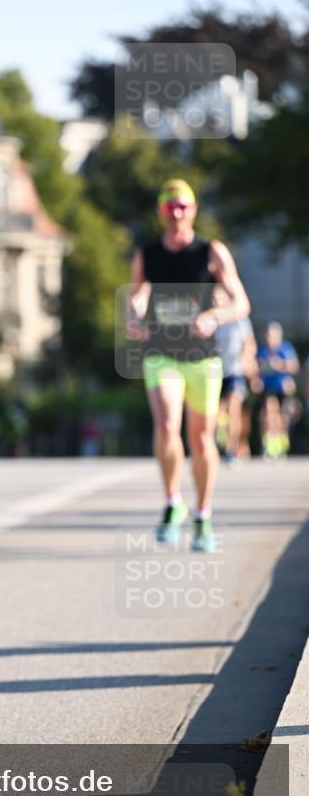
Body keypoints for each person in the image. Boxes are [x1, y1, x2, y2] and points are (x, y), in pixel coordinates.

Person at [128, 179, 250, 552]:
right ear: (161, 212)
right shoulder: (146, 255)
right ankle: (172, 501)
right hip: (162, 354)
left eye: (182, 206)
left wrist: (215, 316)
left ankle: (203, 513)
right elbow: (136, 296)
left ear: (193, 210)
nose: (176, 213)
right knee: (166, 424)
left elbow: (241, 303)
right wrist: (133, 317)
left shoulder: (211, 252)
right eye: (169, 207)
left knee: (201, 438)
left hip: (203, 358)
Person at [215, 298, 257, 464]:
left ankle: (231, 450)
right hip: (214, 371)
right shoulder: (210, 317)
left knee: (234, 409)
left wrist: (248, 363)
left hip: (235, 370)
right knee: (216, 413)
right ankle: (217, 444)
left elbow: (249, 344)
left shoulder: (239, 319)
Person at [255, 321, 299, 459]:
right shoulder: (261, 349)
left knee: (282, 417)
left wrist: (281, 365)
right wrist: (256, 380)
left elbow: (294, 366)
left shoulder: (285, 348)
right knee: (268, 412)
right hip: (268, 388)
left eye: (272, 336)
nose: (270, 339)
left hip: (282, 388)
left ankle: (281, 445)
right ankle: (268, 445)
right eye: (267, 335)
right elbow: (255, 368)